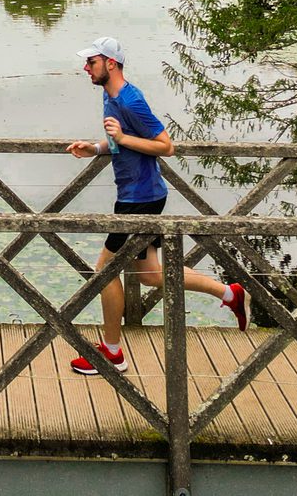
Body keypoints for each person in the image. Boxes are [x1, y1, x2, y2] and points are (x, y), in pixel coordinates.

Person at [65, 36, 247, 376]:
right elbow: (124, 142)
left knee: (104, 271)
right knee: (150, 275)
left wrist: (119, 139)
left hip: (140, 199)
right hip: (137, 196)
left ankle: (112, 354)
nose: (85, 67)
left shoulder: (131, 100)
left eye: (91, 62)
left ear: (111, 64)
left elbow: (165, 146)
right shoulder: (110, 95)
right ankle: (229, 293)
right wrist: (97, 148)